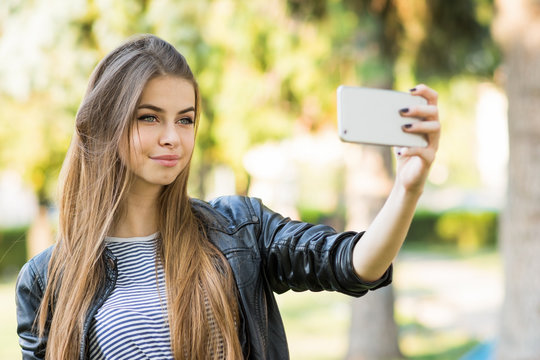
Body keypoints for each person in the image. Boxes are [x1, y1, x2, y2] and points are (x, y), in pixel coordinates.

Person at [15, 34, 440, 360]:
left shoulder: (238, 230)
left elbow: (355, 264)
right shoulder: (46, 281)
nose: (172, 138)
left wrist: (408, 187)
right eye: (149, 117)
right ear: (106, 122)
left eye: (185, 120)